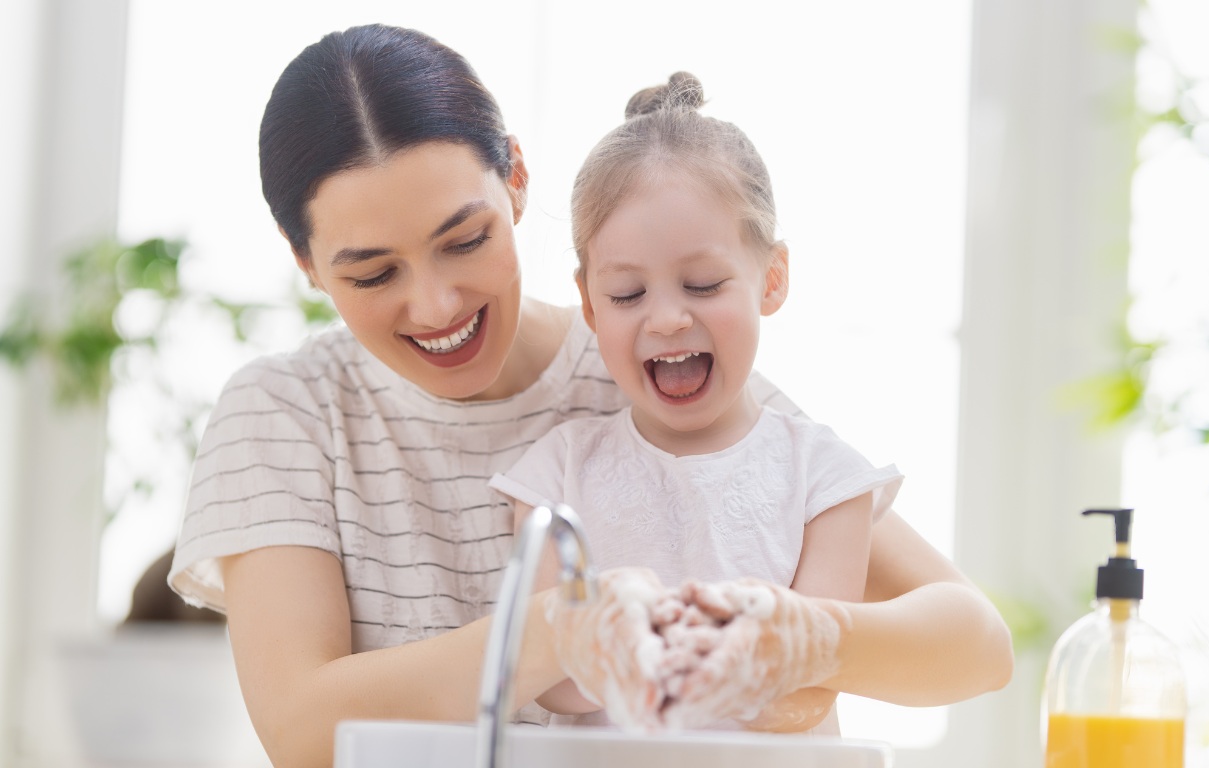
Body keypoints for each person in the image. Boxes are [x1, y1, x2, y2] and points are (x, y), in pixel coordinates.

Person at [167, 23, 1013, 768]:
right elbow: (302, 733)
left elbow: (973, 643)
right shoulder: (286, 414)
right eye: (373, 271)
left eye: (465, 240)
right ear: (306, 260)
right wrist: (550, 637)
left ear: (518, 181)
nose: (435, 306)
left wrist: (807, 639)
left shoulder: (653, 366)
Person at [488, 73, 902, 733]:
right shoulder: (554, 475)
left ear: (772, 279)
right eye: (627, 295)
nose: (669, 319)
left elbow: (809, 696)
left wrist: (748, 651)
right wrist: (608, 644)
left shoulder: (826, 480)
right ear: (590, 304)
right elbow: (549, 688)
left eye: (704, 284)